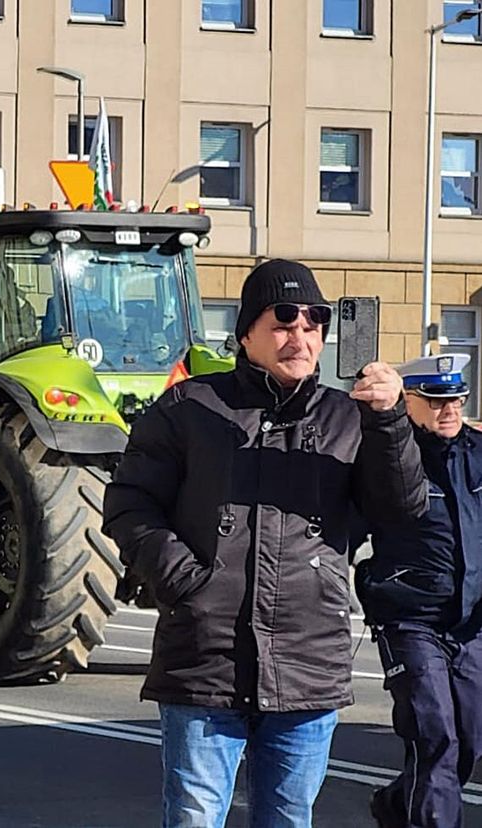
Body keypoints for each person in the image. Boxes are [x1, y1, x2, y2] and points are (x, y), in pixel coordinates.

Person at [102, 258, 429, 828]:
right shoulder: (189, 408)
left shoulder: (349, 418)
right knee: (195, 817)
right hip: (205, 661)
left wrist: (390, 422)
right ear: (245, 332)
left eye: (313, 323)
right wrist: (185, 582)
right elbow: (129, 504)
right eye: (281, 321)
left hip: (308, 661)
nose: (298, 336)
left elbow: (401, 510)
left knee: (287, 817)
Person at [355, 353, 482, 828]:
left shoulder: (477, 453)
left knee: (470, 737)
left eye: (457, 399)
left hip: (471, 622)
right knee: (435, 737)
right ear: (408, 402)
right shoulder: (390, 458)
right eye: (435, 400)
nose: (449, 409)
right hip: (409, 618)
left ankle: (396, 804)